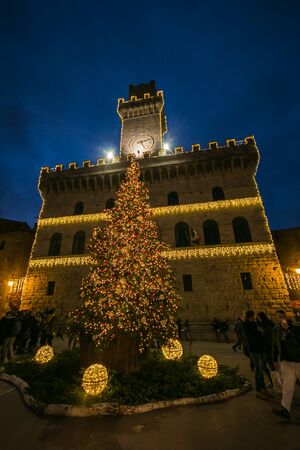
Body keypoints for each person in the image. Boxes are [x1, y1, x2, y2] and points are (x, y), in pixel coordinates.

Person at [272, 309, 300, 419]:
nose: (281, 319)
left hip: (298, 361)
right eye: (279, 317)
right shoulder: (276, 329)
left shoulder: (295, 326)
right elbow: (275, 344)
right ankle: (285, 410)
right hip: (285, 362)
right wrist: (275, 360)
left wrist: (289, 329)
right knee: (287, 386)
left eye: (283, 316)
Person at [242, 310, 271, 400]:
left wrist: (260, 331)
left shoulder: (255, 323)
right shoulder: (245, 325)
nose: (254, 317)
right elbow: (250, 336)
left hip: (261, 348)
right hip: (254, 349)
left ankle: (263, 388)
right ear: (249, 316)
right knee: (258, 369)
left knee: (261, 368)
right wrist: (259, 332)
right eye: (252, 315)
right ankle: (258, 390)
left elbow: (263, 331)